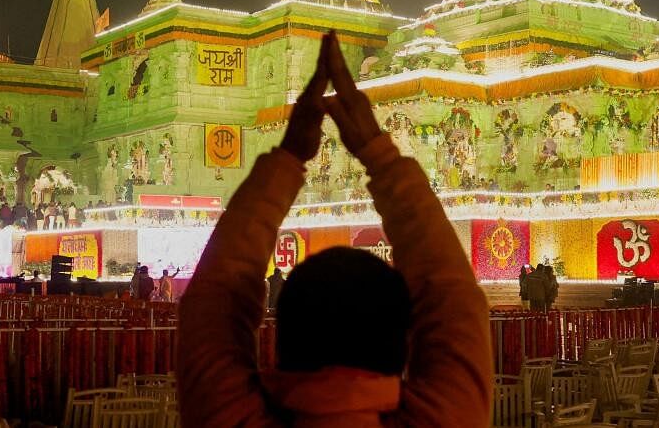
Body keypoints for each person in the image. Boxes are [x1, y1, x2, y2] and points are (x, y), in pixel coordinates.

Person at [177, 31, 492, 427]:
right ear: (405, 343)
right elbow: (455, 299)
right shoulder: (446, 418)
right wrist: (378, 150)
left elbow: (214, 300)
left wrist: (290, 153)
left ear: (278, 343)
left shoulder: (228, 419)